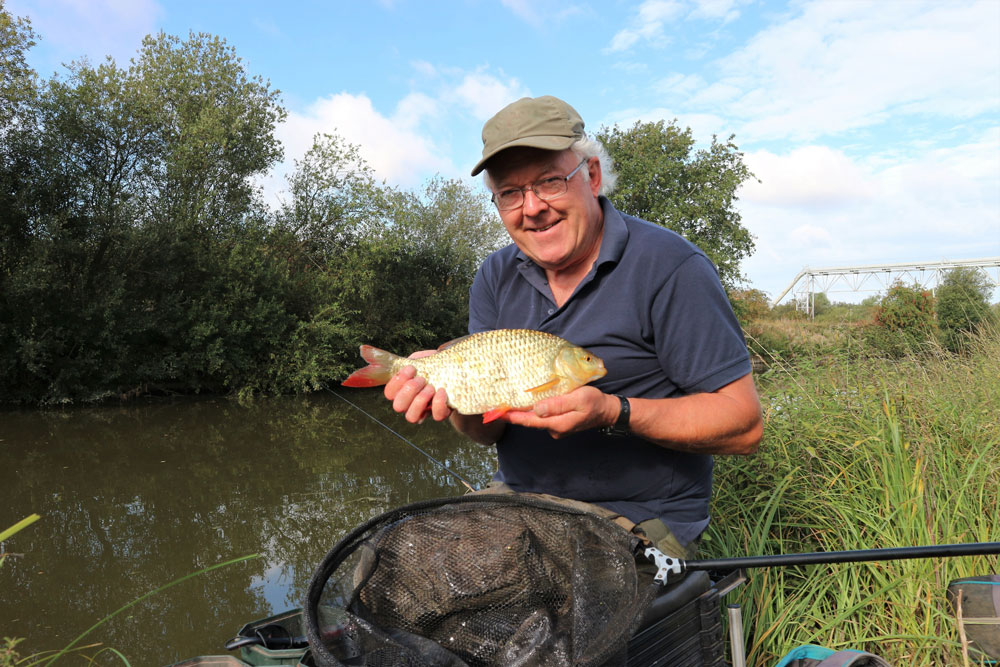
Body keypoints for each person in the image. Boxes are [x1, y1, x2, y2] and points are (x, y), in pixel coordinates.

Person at [384, 95, 762, 559]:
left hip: (642, 516)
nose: (532, 208)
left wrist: (613, 412)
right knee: (401, 560)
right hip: (518, 503)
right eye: (510, 193)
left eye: (549, 182)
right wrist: (454, 397)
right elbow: (487, 432)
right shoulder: (494, 275)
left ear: (593, 175)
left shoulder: (671, 266)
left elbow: (744, 427)